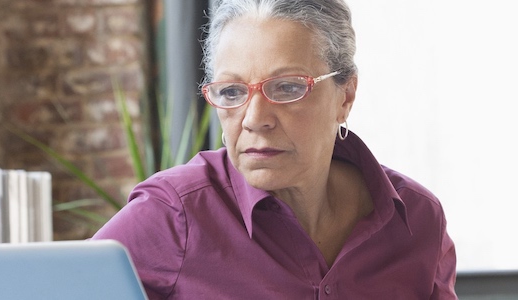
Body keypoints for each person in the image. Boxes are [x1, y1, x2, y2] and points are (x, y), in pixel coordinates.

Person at [92, 0, 457, 298]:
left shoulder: (418, 219)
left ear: (345, 96)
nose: (254, 119)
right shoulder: (173, 215)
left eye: (286, 88)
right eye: (232, 92)